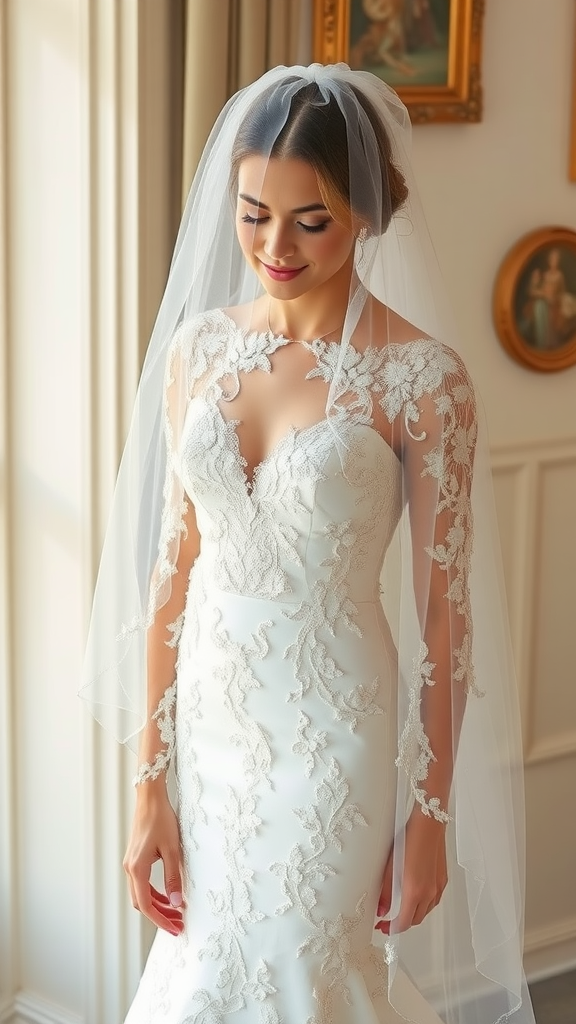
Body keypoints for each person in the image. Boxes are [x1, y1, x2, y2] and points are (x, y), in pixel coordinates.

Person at [80, 64, 537, 1024]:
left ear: (366, 211)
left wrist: (431, 816)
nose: (274, 247)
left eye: (310, 220)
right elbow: (171, 582)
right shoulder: (198, 352)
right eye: (253, 214)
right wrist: (147, 790)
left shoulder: (423, 381)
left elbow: (446, 622)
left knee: (311, 977)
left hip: (338, 742)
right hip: (207, 734)